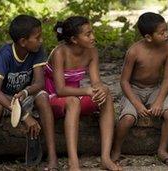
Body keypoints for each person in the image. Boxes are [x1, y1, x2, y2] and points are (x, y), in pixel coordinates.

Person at [0, 15, 57, 170]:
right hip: (1, 99)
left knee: (42, 97)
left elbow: (40, 83)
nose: (41, 40)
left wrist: (26, 93)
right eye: (37, 37)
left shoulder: (37, 50)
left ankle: (53, 156)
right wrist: (24, 116)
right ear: (22, 41)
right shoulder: (5, 54)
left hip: (22, 98)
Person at [43, 16, 122, 171]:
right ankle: (74, 163)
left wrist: (101, 88)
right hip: (53, 98)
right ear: (74, 39)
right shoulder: (59, 53)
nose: (93, 37)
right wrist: (86, 91)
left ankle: (105, 158)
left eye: (92, 32)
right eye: (88, 34)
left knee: (106, 95)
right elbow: (60, 90)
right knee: (73, 101)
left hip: (75, 96)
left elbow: (96, 81)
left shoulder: (91, 52)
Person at [111, 12, 168, 166]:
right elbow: (124, 82)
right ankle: (115, 150)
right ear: (148, 37)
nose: (166, 35)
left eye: (166, 30)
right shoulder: (134, 51)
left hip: (155, 89)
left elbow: (167, 78)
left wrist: (159, 101)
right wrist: (138, 105)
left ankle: (162, 150)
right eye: (161, 33)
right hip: (133, 90)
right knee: (128, 118)